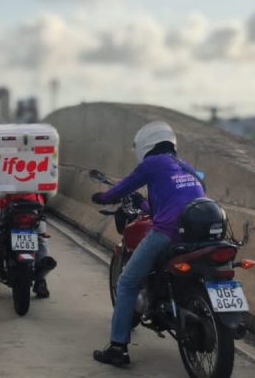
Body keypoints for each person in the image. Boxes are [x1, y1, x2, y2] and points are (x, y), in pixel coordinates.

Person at [89, 121, 206, 367]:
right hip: (199, 233)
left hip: (168, 234)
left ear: (146, 144)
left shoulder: (152, 164)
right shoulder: (185, 166)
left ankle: (118, 348)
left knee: (127, 282)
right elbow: (169, 202)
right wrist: (144, 204)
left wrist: (104, 197)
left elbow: (124, 186)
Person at [0, 193, 55, 298]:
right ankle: (41, 281)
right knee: (41, 239)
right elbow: (50, 191)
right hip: (35, 203)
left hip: (4, 203)